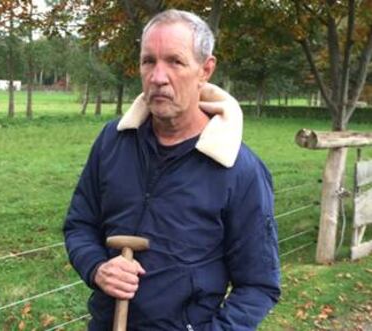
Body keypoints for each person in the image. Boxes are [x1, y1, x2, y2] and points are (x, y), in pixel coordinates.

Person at [64, 9, 280, 331]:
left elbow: (258, 286)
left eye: (175, 62)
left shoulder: (238, 169)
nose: (157, 77)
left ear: (205, 70)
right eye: (148, 61)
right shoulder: (113, 142)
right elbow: (79, 224)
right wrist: (97, 268)